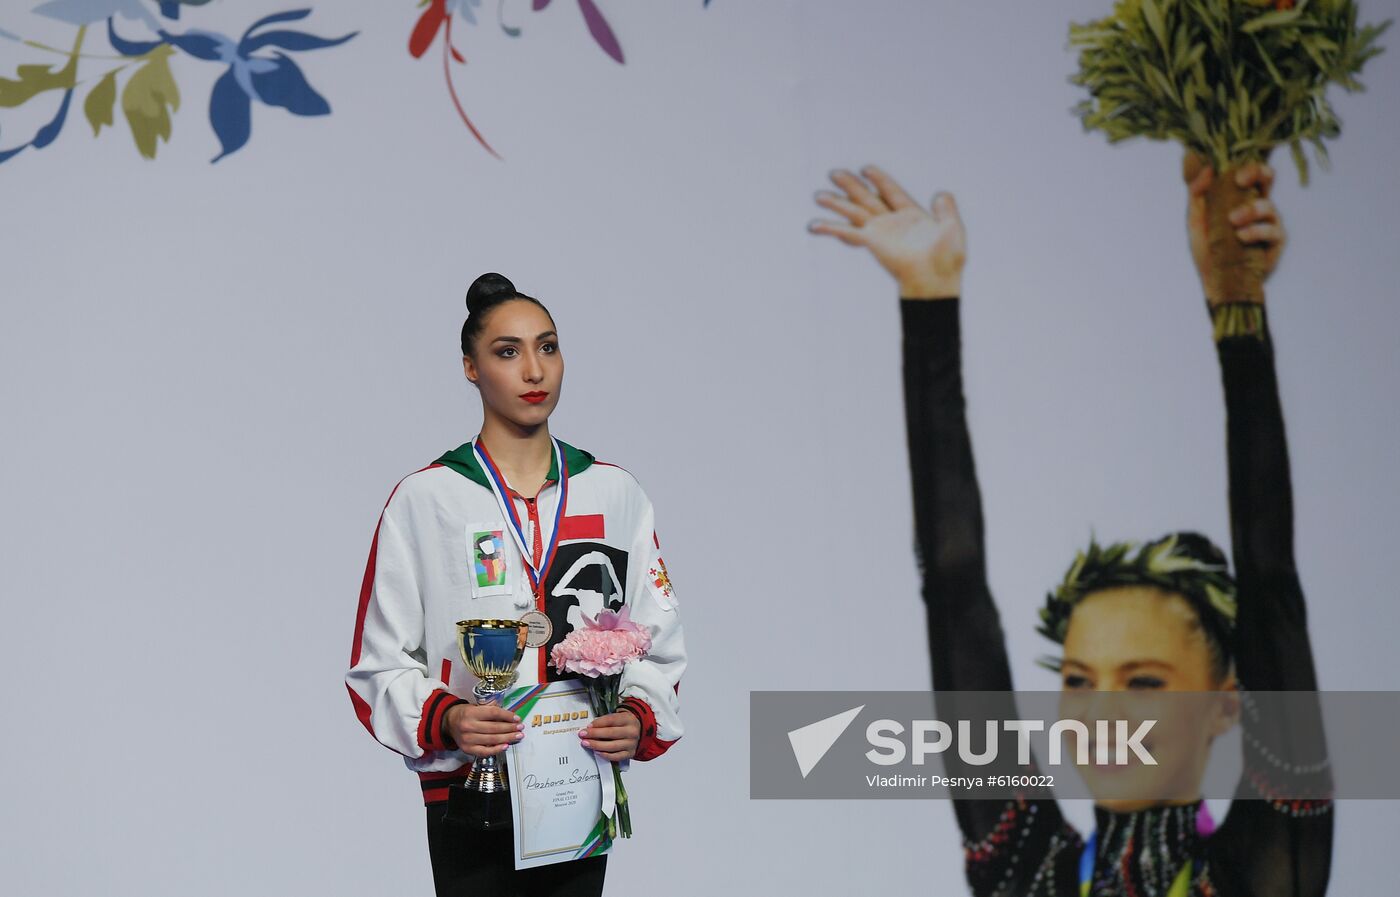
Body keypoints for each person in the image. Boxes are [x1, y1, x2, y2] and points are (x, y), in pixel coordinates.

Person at [809, 164, 1332, 895]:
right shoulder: (1026, 864)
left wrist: (1237, 305)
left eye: (1145, 681)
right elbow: (955, 588)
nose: (1102, 714)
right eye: (1080, 681)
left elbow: (1271, 578)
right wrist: (928, 297)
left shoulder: (1262, 863)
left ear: (1226, 703)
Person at [346, 273, 686, 896]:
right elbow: (377, 667)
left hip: (577, 784)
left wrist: (636, 716)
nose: (534, 370)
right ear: (470, 368)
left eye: (548, 347)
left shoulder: (615, 494)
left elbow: (658, 642)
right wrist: (447, 719)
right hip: (468, 795)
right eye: (507, 352)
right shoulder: (427, 499)